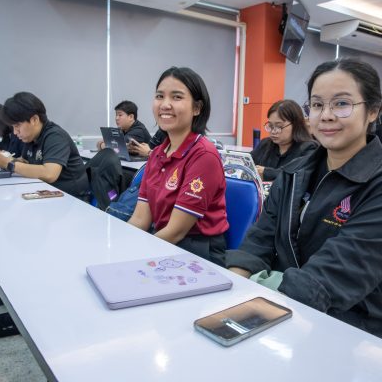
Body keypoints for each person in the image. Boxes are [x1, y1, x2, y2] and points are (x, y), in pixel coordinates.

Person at [226, 58, 382, 338]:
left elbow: (339, 269)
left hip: (352, 327)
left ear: (372, 111)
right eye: (318, 105)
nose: (326, 116)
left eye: (342, 104)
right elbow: (260, 238)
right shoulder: (295, 172)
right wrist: (230, 292)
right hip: (288, 307)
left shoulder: (376, 182)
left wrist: (264, 316)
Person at [128, 66, 229, 266]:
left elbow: (176, 231)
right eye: (159, 96)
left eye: (176, 97)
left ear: (197, 108)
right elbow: (140, 219)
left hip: (197, 250)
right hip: (162, 240)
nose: (165, 104)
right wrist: (122, 244)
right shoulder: (157, 153)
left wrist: (135, 254)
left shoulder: (204, 155)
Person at [0, 92, 90, 201]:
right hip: (46, 193)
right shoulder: (31, 137)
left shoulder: (55, 136)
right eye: (13, 127)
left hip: (72, 200)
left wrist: (10, 164)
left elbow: (50, 174)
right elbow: (24, 162)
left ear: (34, 120)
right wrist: (5, 159)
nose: (15, 132)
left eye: (17, 125)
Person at [251, 99, 317, 181]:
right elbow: (248, 163)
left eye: (279, 126)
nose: (273, 131)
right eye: (270, 126)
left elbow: (297, 176)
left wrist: (266, 173)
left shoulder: (309, 148)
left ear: (296, 125)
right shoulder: (266, 144)